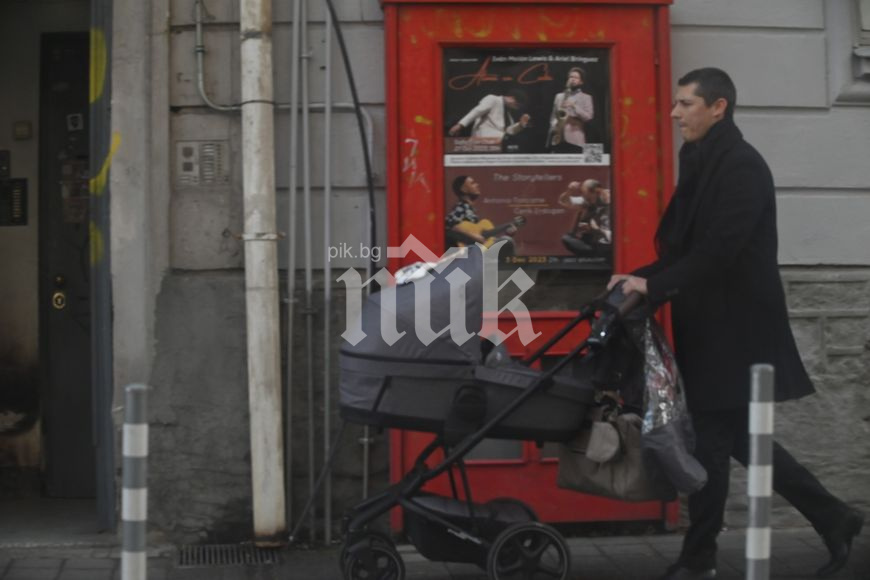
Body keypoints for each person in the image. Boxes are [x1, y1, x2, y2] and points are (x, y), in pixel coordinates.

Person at [608, 67, 863, 580]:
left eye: (686, 103)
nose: (675, 113)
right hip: (709, 325)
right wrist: (638, 278)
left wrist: (652, 287)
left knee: (711, 444)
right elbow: (685, 250)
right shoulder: (702, 158)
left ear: (718, 107)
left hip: (736, 331)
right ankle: (835, 517)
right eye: (676, 103)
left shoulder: (742, 166)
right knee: (743, 441)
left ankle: (698, 557)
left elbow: (719, 252)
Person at [444, 175, 516, 251]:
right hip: (464, 252)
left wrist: (507, 233)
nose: (477, 185)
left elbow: (482, 238)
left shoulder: (469, 210)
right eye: (472, 183)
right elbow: (451, 227)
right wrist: (474, 237)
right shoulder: (461, 208)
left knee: (505, 240)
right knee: (507, 241)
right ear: (464, 189)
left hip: (475, 250)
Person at [448, 89, 531, 140]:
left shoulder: (508, 114)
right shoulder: (493, 99)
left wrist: (520, 125)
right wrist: (460, 125)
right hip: (484, 139)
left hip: (498, 142)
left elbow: (509, 131)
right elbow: (476, 111)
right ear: (511, 98)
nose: (516, 108)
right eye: (517, 105)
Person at [559, 179, 611, 256]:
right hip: (592, 239)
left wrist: (595, 229)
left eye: (584, 193)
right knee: (567, 238)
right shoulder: (587, 200)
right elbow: (563, 201)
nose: (582, 196)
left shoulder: (610, 205)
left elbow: (610, 236)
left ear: (595, 192)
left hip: (604, 244)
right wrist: (570, 191)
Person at [547, 67, 594, 153]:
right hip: (558, 139)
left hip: (575, 140)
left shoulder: (586, 97)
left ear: (581, 82)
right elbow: (553, 116)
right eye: (571, 77)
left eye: (576, 77)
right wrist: (554, 126)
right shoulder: (559, 96)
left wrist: (574, 106)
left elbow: (588, 117)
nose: (572, 79)